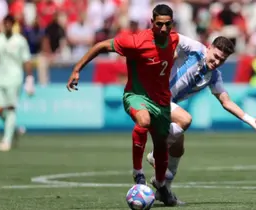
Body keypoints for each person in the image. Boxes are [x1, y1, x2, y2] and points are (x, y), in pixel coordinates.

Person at [67, 4, 181, 206]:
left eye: (167, 24)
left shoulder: (175, 39)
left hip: (162, 101)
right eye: (159, 24)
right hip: (136, 96)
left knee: (162, 146)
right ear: (152, 22)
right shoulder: (136, 42)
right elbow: (101, 46)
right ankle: (138, 172)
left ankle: (162, 186)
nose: (163, 29)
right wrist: (77, 69)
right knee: (143, 121)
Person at [132, 36, 256, 203]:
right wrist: (165, 52)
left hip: (167, 103)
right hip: (151, 95)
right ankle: (156, 155)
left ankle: (163, 190)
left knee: (178, 148)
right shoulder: (195, 48)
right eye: (216, 56)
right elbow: (170, 36)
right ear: (209, 47)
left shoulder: (214, 76)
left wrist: (251, 120)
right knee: (185, 119)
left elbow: (226, 101)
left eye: (222, 60)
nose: (217, 61)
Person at [0, 15, 35, 152]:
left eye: (10, 23)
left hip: (15, 77)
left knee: (11, 108)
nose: (7, 26)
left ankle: (7, 140)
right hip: (0, 77)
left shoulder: (20, 41)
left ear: (13, 25)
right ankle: (13, 129)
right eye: (5, 23)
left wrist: (29, 79)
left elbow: (27, 60)